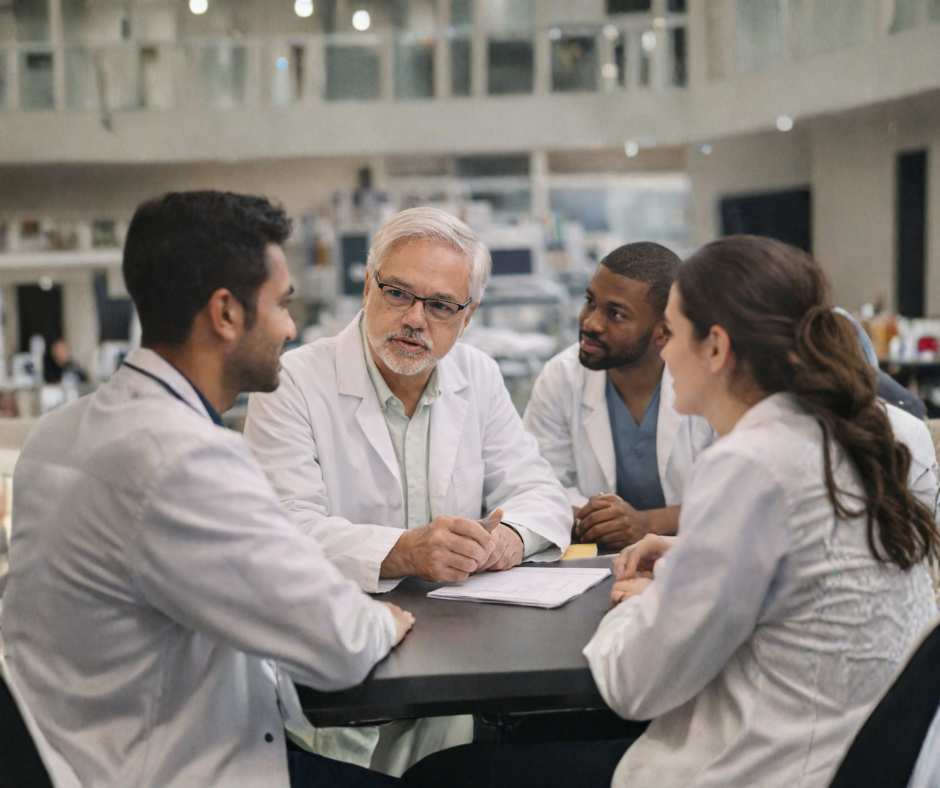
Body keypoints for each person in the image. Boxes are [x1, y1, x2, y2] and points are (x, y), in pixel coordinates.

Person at [403, 235, 939, 788]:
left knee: (441, 777)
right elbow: (816, 561)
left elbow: (632, 685)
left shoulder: (749, 465)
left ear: (715, 347)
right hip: (853, 759)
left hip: (766, 770)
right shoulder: (879, 434)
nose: (665, 351)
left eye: (673, 333)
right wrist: (688, 552)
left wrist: (648, 601)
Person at [1, 190, 414, 788]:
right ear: (225, 313)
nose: (291, 327)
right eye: (281, 304)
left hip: (97, 755)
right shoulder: (180, 457)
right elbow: (339, 640)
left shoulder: (60, 432)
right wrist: (385, 621)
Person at [244, 206, 571, 774]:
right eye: (398, 294)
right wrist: (402, 550)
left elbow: (538, 489)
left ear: (466, 317)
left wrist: (509, 539)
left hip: (455, 660)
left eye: (441, 305)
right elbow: (282, 530)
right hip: (344, 667)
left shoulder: (479, 375)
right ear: (368, 287)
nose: (416, 319)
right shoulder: (293, 381)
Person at [523, 242, 713, 550]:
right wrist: (596, 519)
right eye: (590, 301)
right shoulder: (561, 377)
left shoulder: (710, 382)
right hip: (593, 561)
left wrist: (647, 525)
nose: (590, 323)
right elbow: (538, 482)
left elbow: (736, 497)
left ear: (663, 332)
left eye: (616, 313)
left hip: (696, 557)